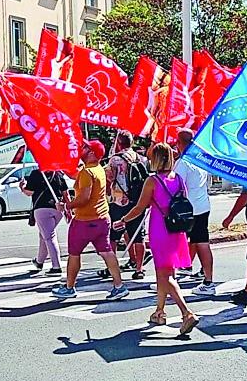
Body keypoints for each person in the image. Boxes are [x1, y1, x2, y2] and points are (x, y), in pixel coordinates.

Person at [114, 142, 200, 335]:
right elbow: (183, 201)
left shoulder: (152, 181)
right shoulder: (178, 178)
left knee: (165, 275)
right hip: (177, 229)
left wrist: (123, 220)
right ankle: (159, 312)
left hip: (160, 229)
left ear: (156, 159)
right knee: (165, 273)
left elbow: (139, 207)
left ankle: (187, 313)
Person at [52, 140, 129, 301]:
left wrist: (67, 205)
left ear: (92, 153)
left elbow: (84, 198)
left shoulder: (87, 172)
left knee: (74, 254)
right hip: (102, 218)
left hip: (85, 221)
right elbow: (78, 178)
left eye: (85, 147)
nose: (82, 148)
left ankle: (69, 287)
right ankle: (119, 285)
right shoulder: (98, 169)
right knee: (107, 252)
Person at [174, 128, 216, 296]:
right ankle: (193, 271)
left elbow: (176, 185)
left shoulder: (184, 162)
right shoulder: (200, 159)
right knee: (198, 241)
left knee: (185, 242)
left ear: (179, 143)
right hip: (202, 206)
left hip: (188, 209)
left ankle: (206, 282)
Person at [106, 130, 148, 279]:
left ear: (118, 142)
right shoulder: (141, 158)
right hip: (137, 201)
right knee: (138, 235)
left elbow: (109, 178)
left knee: (114, 235)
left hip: (119, 200)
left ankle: (112, 267)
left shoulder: (115, 160)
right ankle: (139, 268)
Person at [22, 168, 70, 275]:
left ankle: (56, 266)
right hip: (57, 209)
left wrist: (22, 187)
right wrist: (68, 209)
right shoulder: (58, 173)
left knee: (49, 236)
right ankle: (39, 261)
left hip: (42, 209)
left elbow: (29, 192)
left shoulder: (36, 173)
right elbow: (65, 193)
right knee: (44, 234)